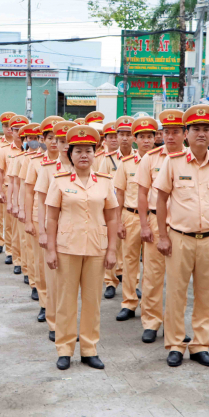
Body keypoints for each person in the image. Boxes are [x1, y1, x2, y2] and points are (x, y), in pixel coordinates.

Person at [154, 104, 209, 368]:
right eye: (196, 129)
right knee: (176, 294)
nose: (202, 134)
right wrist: (162, 235)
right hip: (179, 238)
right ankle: (176, 344)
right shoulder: (173, 162)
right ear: (186, 134)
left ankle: (200, 345)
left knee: (205, 295)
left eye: (207, 129)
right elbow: (161, 199)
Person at [45, 124, 118, 371]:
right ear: (70, 154)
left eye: (88, 150)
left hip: (97, 248)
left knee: (92, 301)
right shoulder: (59, 181)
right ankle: (64, 349)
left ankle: (89, 349)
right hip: (67, 248)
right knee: (66, 301)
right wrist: (51, 249)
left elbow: (112, 218)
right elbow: (51, 218)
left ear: (95, 153)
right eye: (78, 151)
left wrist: (112, 250)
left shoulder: (105, 182)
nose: (84, 155)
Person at [135, 110, 185, 343]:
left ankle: (175, 325)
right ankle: (151, 322)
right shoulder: (151, 158)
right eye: (166, 132)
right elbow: (142, 193)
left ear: (185, 134)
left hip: (183, 223)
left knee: (180, 277)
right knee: (153, 275)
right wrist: (144, 224)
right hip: (156, 221)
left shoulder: (190, 157)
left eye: (176, 132)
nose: (170, 136)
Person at [34, 120, 77, 342]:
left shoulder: (84, 166)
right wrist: (42, 232)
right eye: (61, 141)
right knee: (53, 280)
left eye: (68, 142)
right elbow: (41, 202)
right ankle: (54, 323)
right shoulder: (48, 169)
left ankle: (69, 324)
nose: (64, 146)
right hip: (54, 230)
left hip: (76, 232)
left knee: (70, 283)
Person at [114, 116, 157, 322]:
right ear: (134, 139)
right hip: (130, 216)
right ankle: (129, 303)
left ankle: (149, 306)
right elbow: (119, 194)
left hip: (154, 218)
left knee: (152, 264)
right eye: (142, 137)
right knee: (129, 261)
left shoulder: (163, 162)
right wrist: (118, 221)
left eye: (150, 136)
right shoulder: (126, 164)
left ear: (155, 138)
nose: (146, 141)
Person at [25, 116, 62, 325]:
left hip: (64, 220)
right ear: (43, 139)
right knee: (42, 264)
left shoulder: (71, 161)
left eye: (58, 138)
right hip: (42, 218)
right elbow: (29, 192)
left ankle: (59, 307)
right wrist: (29, 220)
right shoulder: (36, 163)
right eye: (50, 138)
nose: (55, 142)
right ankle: (45, 303)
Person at [10, 123, 41, 295]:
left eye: (36, 138)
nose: (33, 141)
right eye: (30, 138)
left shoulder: (49, 160)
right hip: (31, 207)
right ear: (25, 140)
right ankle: (32, 279)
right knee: (28, 245)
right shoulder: (23, 159)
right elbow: (20, 185)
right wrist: (19, 207)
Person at [0, 115, 29, 275]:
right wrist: (0, 191)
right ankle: (15, 257)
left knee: (28, 232)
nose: (18, 133)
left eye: (21, 131)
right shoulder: (4, 150)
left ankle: (27, 261)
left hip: (29, 193)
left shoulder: (33, 151)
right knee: (12, 228)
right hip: (11, 190)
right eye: (15, 130)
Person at [95, 121, 124, 298]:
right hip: (108, 206)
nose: (114, 140)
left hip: (127, 206)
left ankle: (129, 280)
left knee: (128, 250)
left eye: (116, 136)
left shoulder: (133, 158)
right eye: (111, 137)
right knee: (110, 244)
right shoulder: (102, 159)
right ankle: (110, 281)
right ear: (105, 139)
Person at [0, 112, 18, 262]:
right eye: (6, 126)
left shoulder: (22, 143)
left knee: (12, 219)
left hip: (16, 186)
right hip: (1, 184)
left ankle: (11, 248)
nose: (9, 129)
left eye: (11, 127)